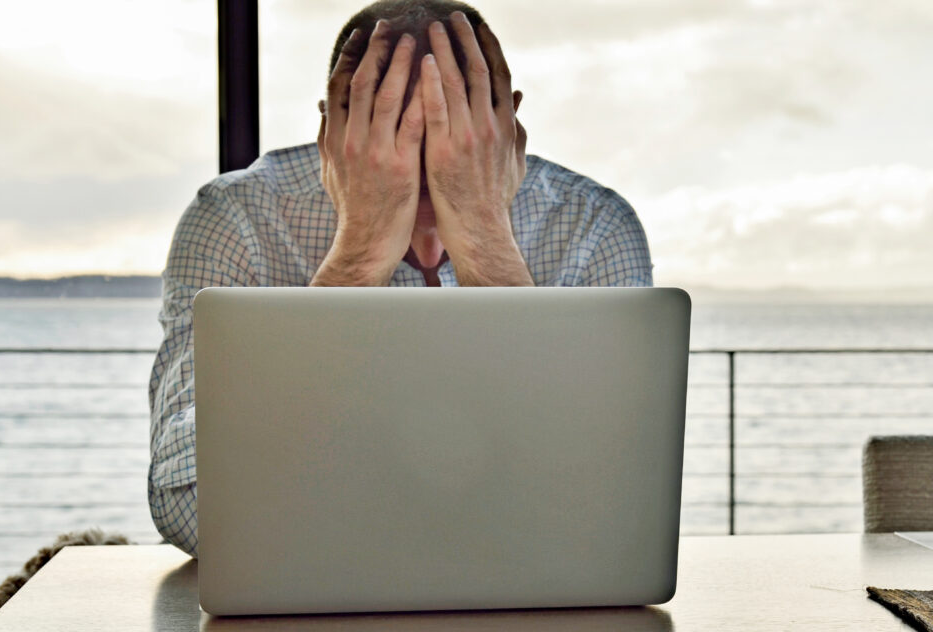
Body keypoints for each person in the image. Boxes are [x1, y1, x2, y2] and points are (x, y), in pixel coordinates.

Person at [148, 0, 653, 557]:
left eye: (457, 136)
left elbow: (611, 511)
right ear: (331, 132)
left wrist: (486, 238)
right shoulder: (235, 220)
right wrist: (359, 255)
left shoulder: (594, 226)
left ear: (508, 126)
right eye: (389, 136)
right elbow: (188, 511)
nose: (428, 170)